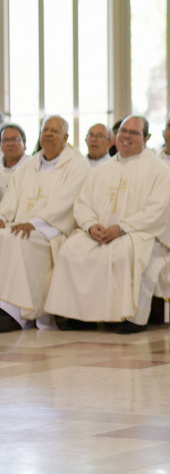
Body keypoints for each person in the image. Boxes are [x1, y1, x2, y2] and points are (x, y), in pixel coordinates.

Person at [44, 116, 170, 334]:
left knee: (126, 250)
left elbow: (157, 212)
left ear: (146, 138)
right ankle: (81, 316)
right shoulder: (100, 171)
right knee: (72, 248)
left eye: (133, 133)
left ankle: (130, 317)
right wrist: (91, 225)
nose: (126, 137)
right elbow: (82, 203)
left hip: (142, 233)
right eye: (123, 131)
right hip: (101, 232)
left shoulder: (159, 171)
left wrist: (121, 228)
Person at [0, 115, 89, 333]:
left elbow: (67, 201)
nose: (48, 134)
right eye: (45, 130)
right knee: (6, 235)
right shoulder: (28, 166)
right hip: (21, 226)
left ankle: (17, 314)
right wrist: (2, 217)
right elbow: (12, 196)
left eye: (54, 131)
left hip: (52, 230)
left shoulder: (77, 165)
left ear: (65, 138)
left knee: (18, 240)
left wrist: (35, 223)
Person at [0, 123, 30, 200]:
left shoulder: (33, 165)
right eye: (6, 140)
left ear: (24, 144)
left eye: (15, 139)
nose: (10, 144)